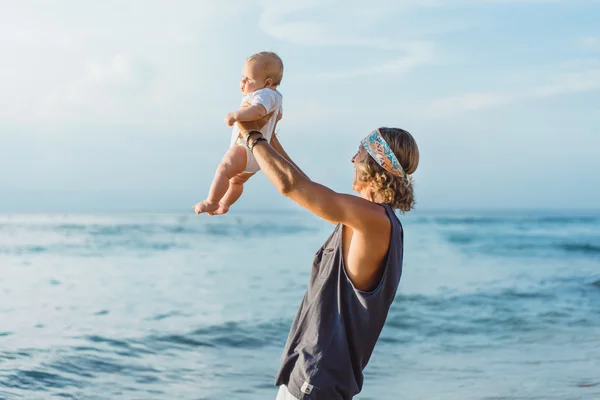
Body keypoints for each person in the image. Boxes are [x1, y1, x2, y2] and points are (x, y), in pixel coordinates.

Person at [235, 122, 419, 399]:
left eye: (359, 152)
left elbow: (292, 186)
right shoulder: (371, 220)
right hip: (317, 378)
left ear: (373, 164)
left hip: (316, 381)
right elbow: (301, 182)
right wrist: (267, 134)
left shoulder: (373, 221)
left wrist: (251, 136)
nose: (353, 159)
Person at [193, 51, 284, 216]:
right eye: (242, 77)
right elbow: (279, 116)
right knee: (237, 181)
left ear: (267, 82)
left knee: (224, 169)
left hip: (246, 147)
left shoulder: (263, 94)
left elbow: (258, 111)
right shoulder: (276, 97)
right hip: (259, 154)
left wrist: (235, 116)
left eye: (248, 79)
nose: (242, 82)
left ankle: (211, 201)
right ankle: (224, 204)